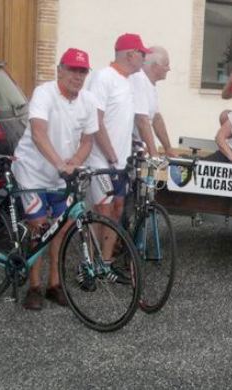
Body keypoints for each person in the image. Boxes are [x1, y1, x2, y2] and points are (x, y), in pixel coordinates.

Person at [11, 48, 97, 310]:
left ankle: (53, 285)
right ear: (60, 70)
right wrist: (60, 162)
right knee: (39, 227)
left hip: (61, 174)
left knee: (60, 228)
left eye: (82, 71)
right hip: (33, 171)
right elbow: (38, 134)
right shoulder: (45, 92)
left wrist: (75, 162)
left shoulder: (88, 100)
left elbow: (88, 139)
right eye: (72, 69)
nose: (77, 76)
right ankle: (34, 287)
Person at [85, 33, 150, 283]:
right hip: (100, 161)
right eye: (141, 53)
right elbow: (95, 119)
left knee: (117, 211)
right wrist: (110, 152)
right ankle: (88, 264)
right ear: (130, 54)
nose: (144, 58)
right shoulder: (104, 77)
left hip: (120, 162)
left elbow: (132, 121)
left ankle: (106, 263)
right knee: (102, 210)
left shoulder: (129, 81)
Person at [130, 45, 177, 157]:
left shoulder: (151, 83)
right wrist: (154, 153)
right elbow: (141, 120)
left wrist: (168, 148)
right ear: (155, 66)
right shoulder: (139, 79)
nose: (169, 69)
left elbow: (156, 118)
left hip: (137, 147)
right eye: (166, 65)